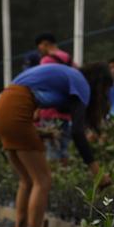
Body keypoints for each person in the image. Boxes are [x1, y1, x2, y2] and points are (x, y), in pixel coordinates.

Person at [0, 62, 110, 227]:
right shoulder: (80, 83)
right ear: (100, 84)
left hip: (0, 111)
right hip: (16, 108)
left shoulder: (63, 74)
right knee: (42, 180)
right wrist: (97, 171)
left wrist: (42, 133)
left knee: (27, 180)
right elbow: (77, 133)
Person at [33, 34, 73, 162]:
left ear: (45, 44)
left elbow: (42, 85)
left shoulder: (46, 60)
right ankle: (67, 178)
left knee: (51, 150)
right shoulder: (68, 59)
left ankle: (56, 180)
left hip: (49, 112)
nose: (40, 50)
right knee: (64, 149)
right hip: (65, 112)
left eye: (40, 47)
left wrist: (37, 109)